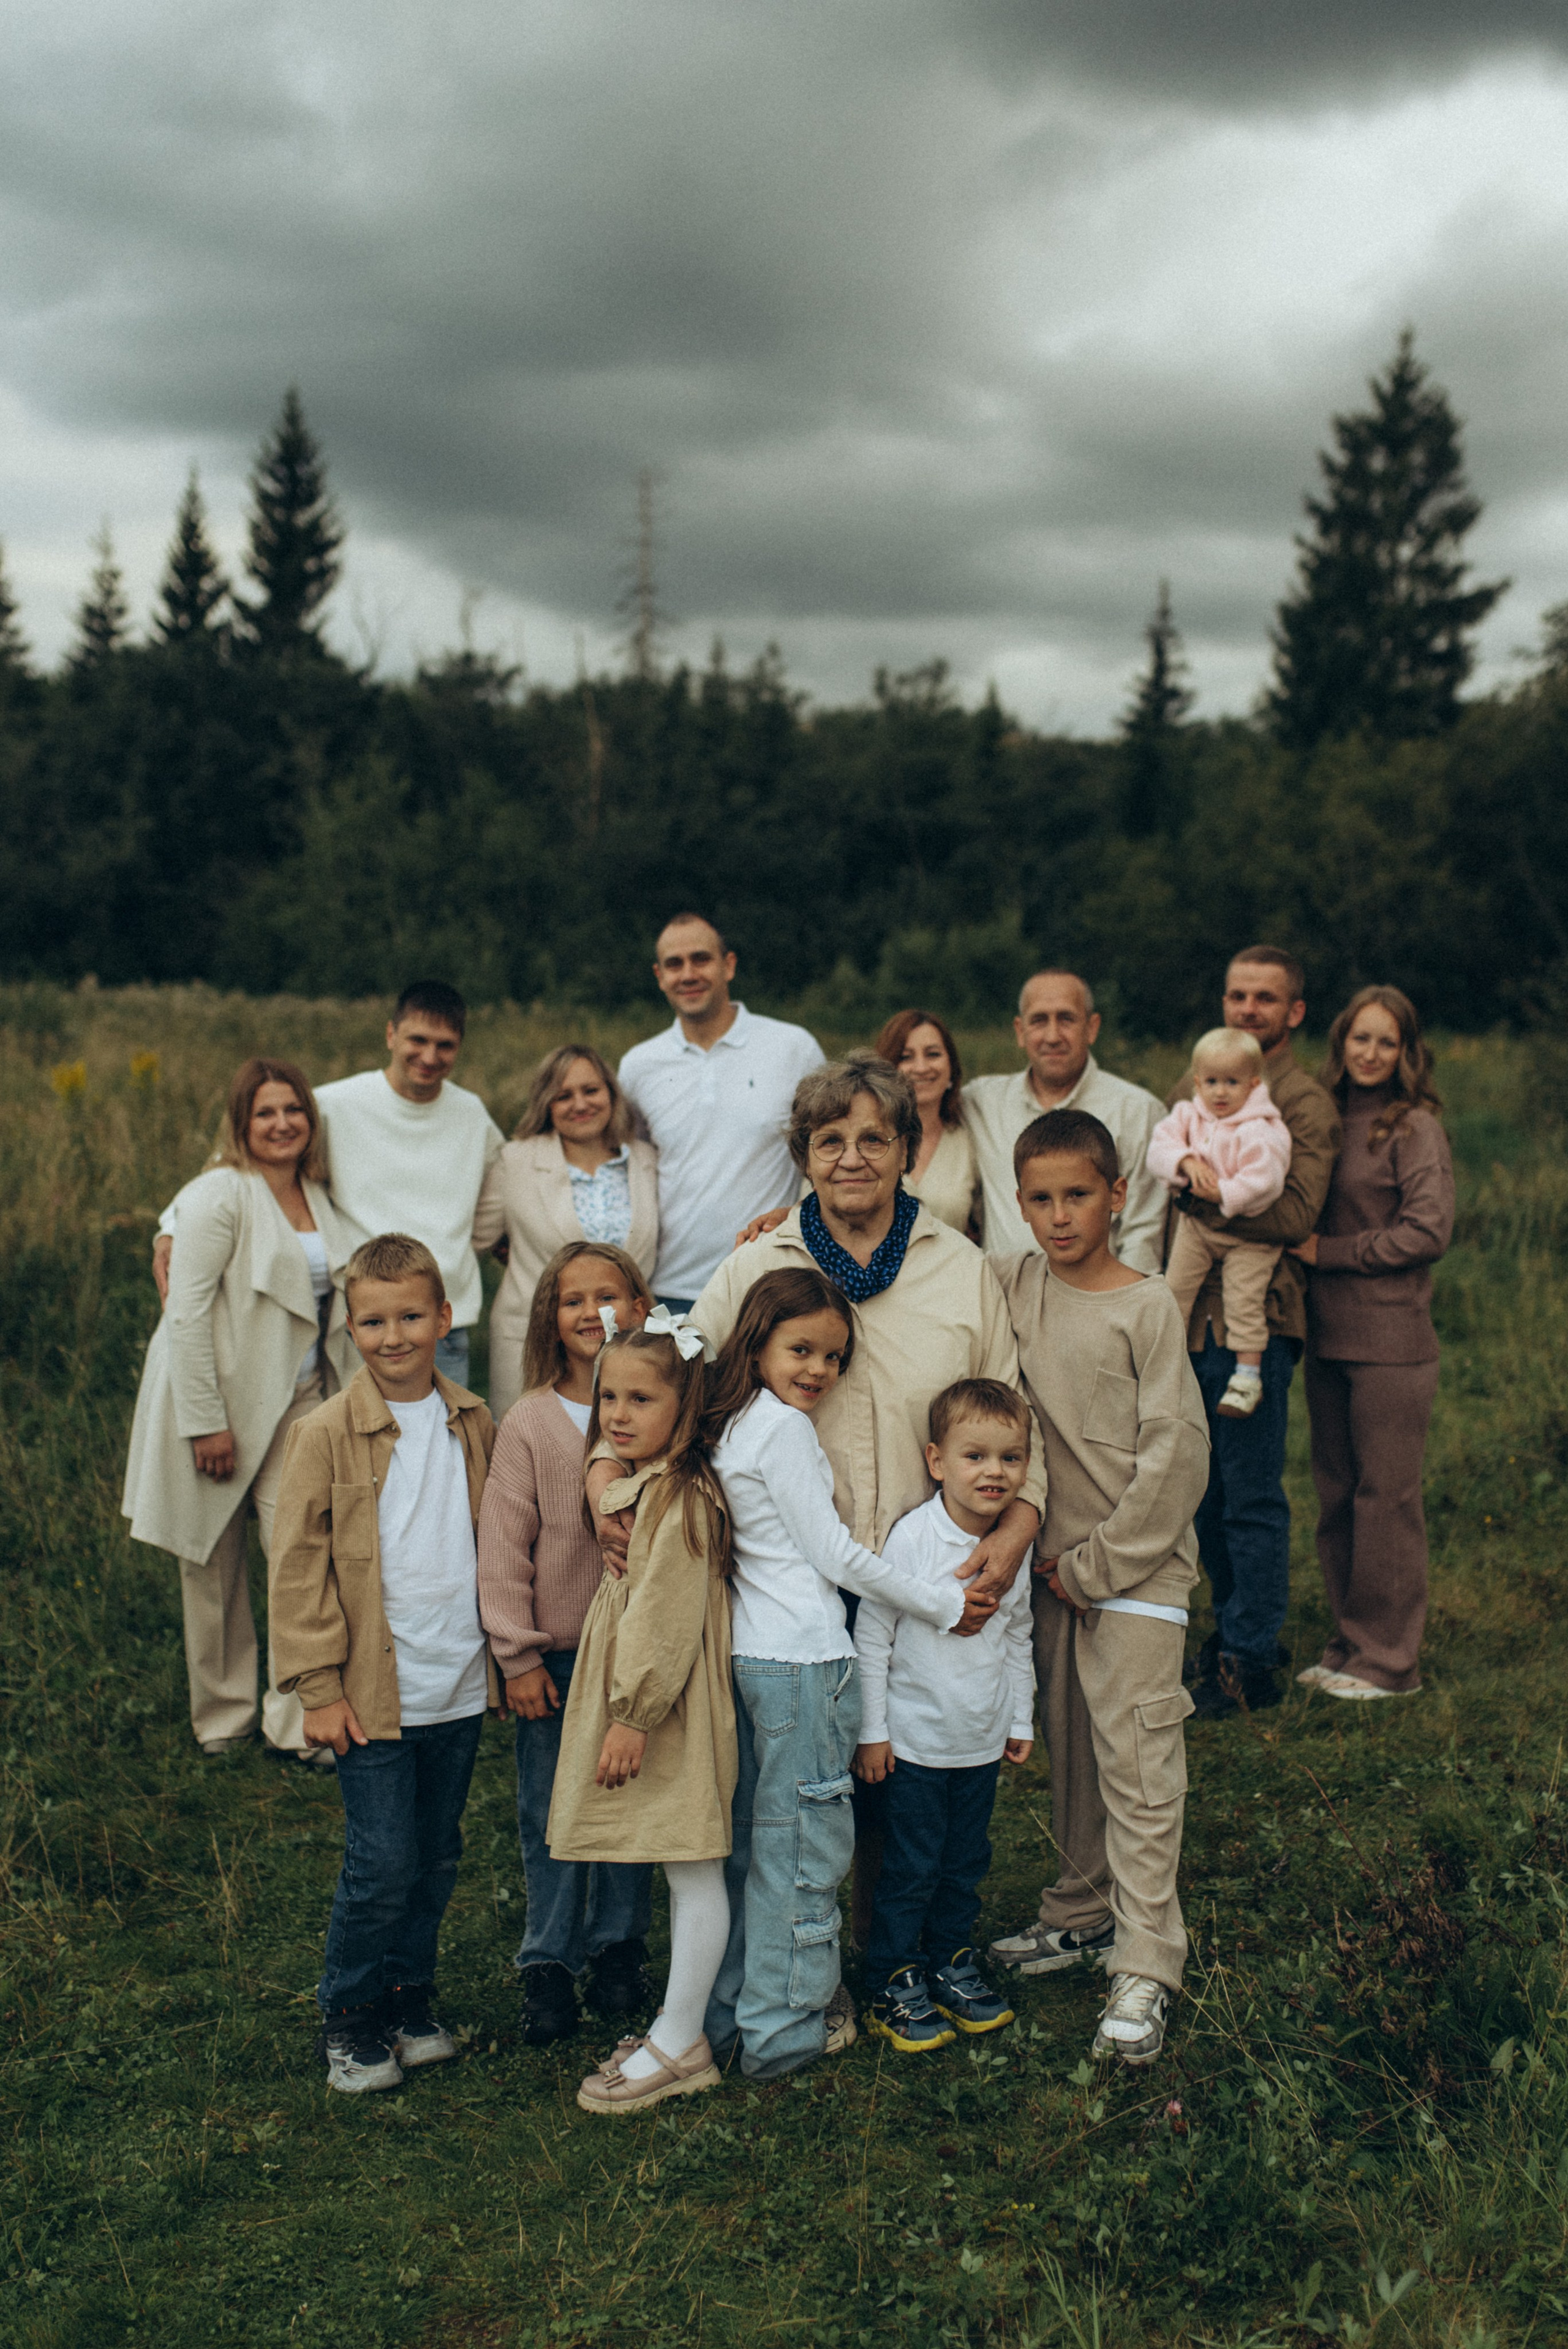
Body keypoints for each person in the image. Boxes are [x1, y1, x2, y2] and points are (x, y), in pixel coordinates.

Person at [703, 1269, 995, 2081]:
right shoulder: (783, 1430)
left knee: (758, 1848)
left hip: (753, 1655)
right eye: (801, 1348)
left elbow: (665, 1331)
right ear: (757, 1338)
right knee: (804, 1849)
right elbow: (834, 1553)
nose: (818, 1371)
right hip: (802, 1659)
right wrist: (940, 1600)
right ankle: (783, 2035)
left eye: (833, 1356)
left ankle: (737, 2016)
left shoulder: (729, 1420)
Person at [986, 1110, 1210, 2068]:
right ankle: (1080, 1912)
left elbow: (1178, 1454)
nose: (1058, 1214)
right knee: (1074, 1751)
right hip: (1052, 1574)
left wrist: (1102, 1564)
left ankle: (1147, 1960)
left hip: (1133, 1571)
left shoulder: (1147, 1305)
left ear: (1119, 1193)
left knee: (1138, 1762)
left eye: (1078, 1193)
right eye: (1039, 1197)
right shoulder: (1016, 1281)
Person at [268, 1234, 499, 2095]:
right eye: (373, 1319)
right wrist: (317, 1687)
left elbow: (499, 1544)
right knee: (381, 1858)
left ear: (444, 1317)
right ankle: (351, 2012)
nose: (394, 1334)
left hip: (457, 1680)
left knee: (437, 1852)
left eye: (411, 1315)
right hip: (370, 1691)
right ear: (350, 1328)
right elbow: (297, 1566)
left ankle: (410, 1997)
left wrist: (508, 1657)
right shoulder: (324, 1433)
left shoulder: (473, 1418)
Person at [123, 1057, 358, 1762]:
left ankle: (296, 1718)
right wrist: (205, 1421)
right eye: (266, 1112)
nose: (282, 1123)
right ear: (242, 1123)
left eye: (293, 1109)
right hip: (221, 1396)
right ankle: (222, 1718)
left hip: (300, 1400)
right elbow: (187, 1312)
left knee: (299, 1554)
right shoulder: (218, 1193)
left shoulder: (321, 1193)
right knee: (211, 1562)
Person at [547, 1315, 737, 2115]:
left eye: (641, 1398)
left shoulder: (683, 1495)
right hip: (650, 1698)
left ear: (685, 1407)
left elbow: (664, 1614)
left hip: (668, 1706)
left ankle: (682, 2037)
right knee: (675, 1857)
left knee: (692, 1862)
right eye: (609, 1397)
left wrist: (632, 1713)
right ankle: (676, 2024)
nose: (618, 1414)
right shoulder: (646, 1481)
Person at [477, 1241, 657, 2044]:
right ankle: (546, 1959)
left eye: (610, 1295)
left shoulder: (661, 1412)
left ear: (642, 1307)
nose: (594, 1313)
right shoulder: (530, 1421)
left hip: (636, 1651)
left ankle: (618, 1946)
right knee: (551, 1808)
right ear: (550, 1315)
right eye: (574, 1299)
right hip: (555, 1652)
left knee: (627, 1802)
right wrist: (515, 1653)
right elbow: (503, 1544)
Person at [155, 982, 503, 1390]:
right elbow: (240, 1155)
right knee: (359, 1451)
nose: (429, 1057)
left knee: (444, 1449)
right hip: (359, 1322)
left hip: (441, 1323)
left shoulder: (471, 1114)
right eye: (418, 1040)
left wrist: (474, 1245)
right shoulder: (336, 1104)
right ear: (391, 1034)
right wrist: (172, 1226)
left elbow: (504, 1185)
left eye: (445, 1045)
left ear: (459, 1046)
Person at [1172, 946, 1342, 1721]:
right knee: (1201, 1492)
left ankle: (1247, 1656)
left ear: (1293, 1012)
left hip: (1259, 1322)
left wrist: (1202, 1204)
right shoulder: (1200, 1075)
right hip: (1189, 1318)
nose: (1247, 1009)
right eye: (1237, 994)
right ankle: (1233, 1629)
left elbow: (1296, 1211)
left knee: (1249, 1492)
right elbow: (1165, 1165)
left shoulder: (1301, 1102)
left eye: (1264, 998)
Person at [854, 1379, 1036, 2054]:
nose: (994, 1472)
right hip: (915, 1744)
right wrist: (872, 1731)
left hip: (979, 1743)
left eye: (1010, 1458)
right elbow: (874, 1634)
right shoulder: (913, 1538)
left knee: (964, 1863)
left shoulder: (1008, 1547)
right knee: (911, 1867)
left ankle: (950, 1962)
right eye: (975, 1456)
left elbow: (1017, 1634)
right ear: (936, 1461)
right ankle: (892, 1978)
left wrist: (1019, 1719)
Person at [1292, 987, 1454, 1700]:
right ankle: (1349, 1643)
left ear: (1405, 1052)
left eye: (1386, 1042)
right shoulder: (1323, 1116)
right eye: (1360, 1038)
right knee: (1336, 1495)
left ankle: (1392, 1661)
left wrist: (1328, 1251)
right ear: (1341, 1041)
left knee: (1385, 1499)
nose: (1370, 1053)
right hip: (1325, 1336)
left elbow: (1428, 1231)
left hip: (1392, 1338)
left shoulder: (1413, 1126)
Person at [616, 914, 824, 1310]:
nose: (688, 974)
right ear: (659, 976)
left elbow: (828, 1152)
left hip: (771, 1282)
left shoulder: (793, 1048)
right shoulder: (639, 1066)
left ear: (728, 964)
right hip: (671, 1287)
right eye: (675, 965)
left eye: (701, 959)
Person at [473, 1046, 659, 1418]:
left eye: (591, 1091)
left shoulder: (644, 1159)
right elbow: (480, 1235)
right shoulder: (516, 1161)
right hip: (535, 1343)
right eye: (564, 1096)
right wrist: (519, 1252)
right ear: (547, 1104)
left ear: (611, 1093)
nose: (580, 1104)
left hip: (626, 1343)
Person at [962, 970, 1166, 1270]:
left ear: (1092, 1027)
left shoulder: (1138, 1111)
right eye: (1039, 1020)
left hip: (1096, 1305)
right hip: (1001, 1302)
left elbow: (1143, 1233)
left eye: (1067, 1019)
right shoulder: (981, 1102)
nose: (1053, 1036)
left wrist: (1128, 1310)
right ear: (1020, 1031)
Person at [1147, 1028, 1293, 1419]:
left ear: (1254, 1084)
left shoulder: (1262, 1128)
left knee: (1243, 1300)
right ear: (1197, 1082)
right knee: (1174, 1288)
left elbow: (1267, 1180)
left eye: (1233, 1082)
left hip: (1249, 1237)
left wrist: (1225, 1192)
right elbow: (1158, 1149)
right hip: (1198, 1228)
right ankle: (1165, 1367)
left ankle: (1247, 1378)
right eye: (1211, 1082)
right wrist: (1185, 1162)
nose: (1221, 1093)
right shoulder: (1188, 1114)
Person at [874, 1009, 981, 1237]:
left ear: (951, 1067)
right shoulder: (859, 1137)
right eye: (906, 1057)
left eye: (933, 1054)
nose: (921, 1068)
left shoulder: (970, 1138)